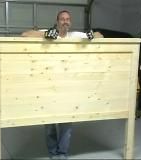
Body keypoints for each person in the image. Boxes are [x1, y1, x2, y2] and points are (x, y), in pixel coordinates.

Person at [22, 10, 103, 159]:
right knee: (49, 124)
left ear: (70, 22)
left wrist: (92, 35)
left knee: (67, 123)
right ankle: (53, 153)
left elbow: (100, 35)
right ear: (57, 21)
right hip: (49, 85)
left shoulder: (75, 36)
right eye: (62, 19)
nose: (65, 21)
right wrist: (44, 35)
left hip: (68, 87)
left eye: (67, 19)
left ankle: (62, 153)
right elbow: (25, 34)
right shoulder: (50, 32)